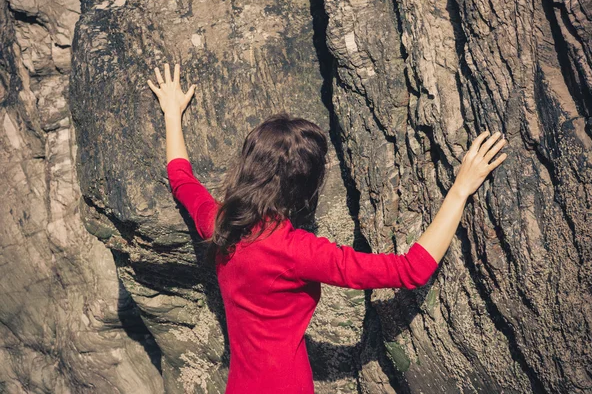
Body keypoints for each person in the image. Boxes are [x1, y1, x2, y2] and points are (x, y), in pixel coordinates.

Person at [147, 63, 508, 393]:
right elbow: (412, 270)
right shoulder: (297, 251)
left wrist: (173, 114)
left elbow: (181, 179)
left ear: (248, 166)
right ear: (305, 190)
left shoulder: (222, 222)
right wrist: (460, 189)